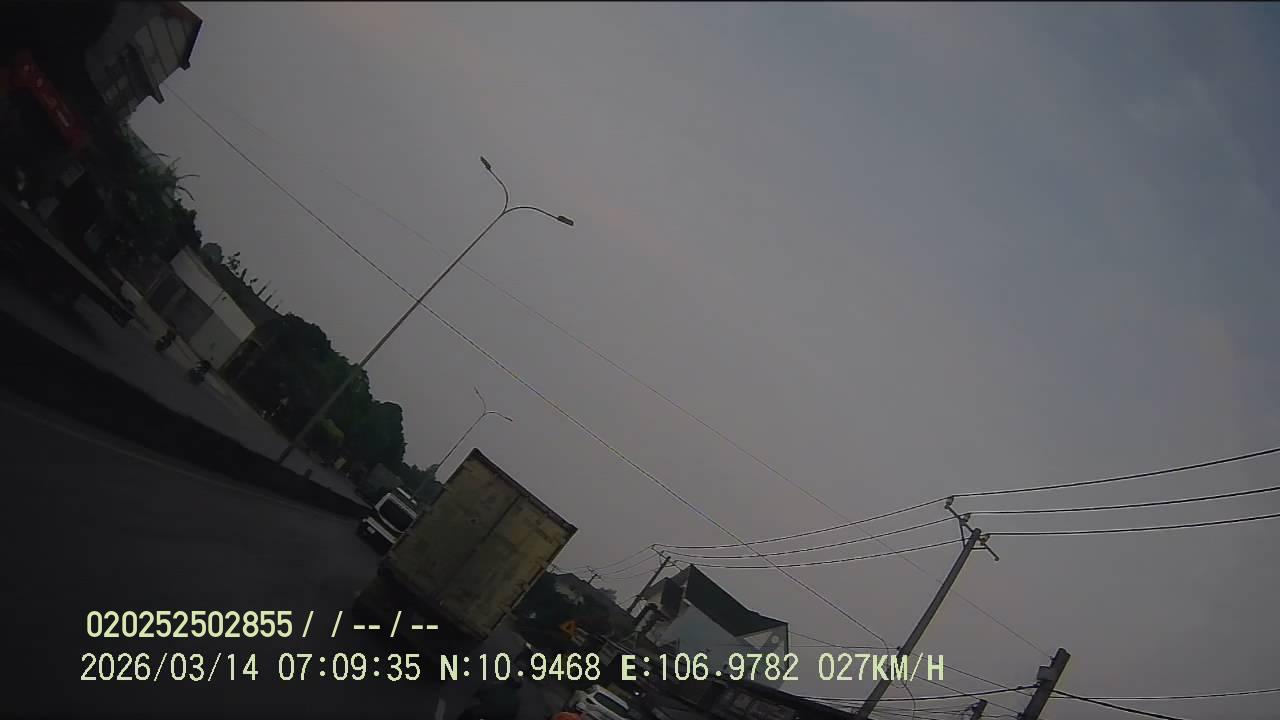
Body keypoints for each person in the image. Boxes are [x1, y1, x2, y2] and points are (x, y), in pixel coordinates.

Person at [458, 676, 523, 720]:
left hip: (481, 713)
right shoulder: (517, 700)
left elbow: (479, 692)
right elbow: (513, 716)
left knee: (467, 714)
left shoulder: (496, 686)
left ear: (508, 680)